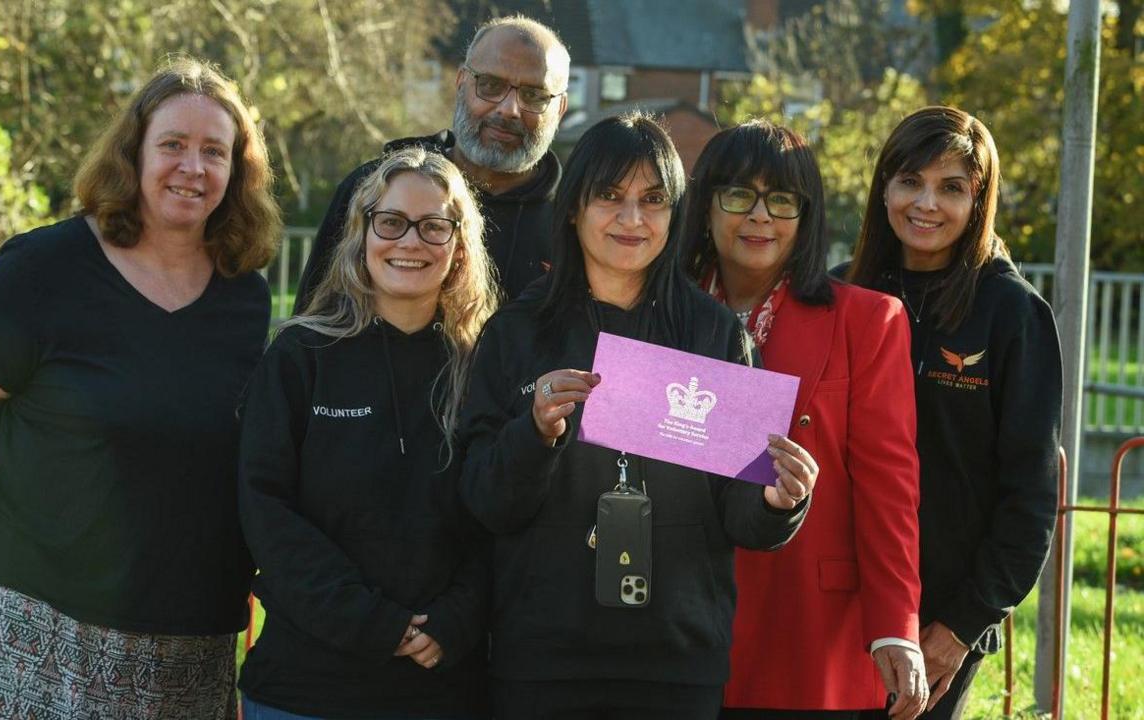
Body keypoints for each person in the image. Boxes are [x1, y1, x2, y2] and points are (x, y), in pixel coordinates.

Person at [0, 56, 280, 718]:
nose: (192, 168)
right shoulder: (47, 267)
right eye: (172, 145)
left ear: (237, 172)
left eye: (214, 152)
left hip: (182, 638)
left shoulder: (245, 298)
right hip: (24, 616)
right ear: (133, 153)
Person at [458, 112, 817, 719]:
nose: (632, 219)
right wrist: (534, 434)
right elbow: (482, 500)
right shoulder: (518, 331)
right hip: (543, 661)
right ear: (573, 208)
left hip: (676, 664)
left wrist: (781, 502)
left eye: (653, 199)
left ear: (676, 214)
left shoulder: (713, 332)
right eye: (610, 196)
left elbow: (741, 516)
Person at [237, 146, 499, 720]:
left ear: (458, 246)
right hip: (305, 691)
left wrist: (458, 620)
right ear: (361, 233)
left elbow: (500, 516)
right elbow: (266, 510)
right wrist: (375, 623)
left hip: (441, 688)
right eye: (391, 222)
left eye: (434, 226)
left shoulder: (484, 370)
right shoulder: (301, 356)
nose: (410, 242)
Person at [679, 120, 927, 719]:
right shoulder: (661, 312)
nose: (761, 217)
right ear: (706, 204)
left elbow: (888, 488)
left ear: (806, 214)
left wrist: (896, 625)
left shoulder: (867, 321)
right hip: (675, 618)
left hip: (808, 628)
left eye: (782, 200)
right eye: (739, 195)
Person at [846, 106, 1062, 719]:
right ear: (884, 186)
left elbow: (1030, 496)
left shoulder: (1011, 313)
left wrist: (961, 627)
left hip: (942, 620)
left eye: (952, 188)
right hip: (837, 601)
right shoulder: (842, 293)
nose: (927, 204)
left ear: (980, 199)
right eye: (911, 181)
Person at [294, 14, 569, 312]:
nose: (509, 109)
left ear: (561, 108)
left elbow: (622, 324)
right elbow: (311, 322)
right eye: (490, 85)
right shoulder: (376, 189)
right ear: (461, 82)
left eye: (534, 95)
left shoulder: (582, 216)